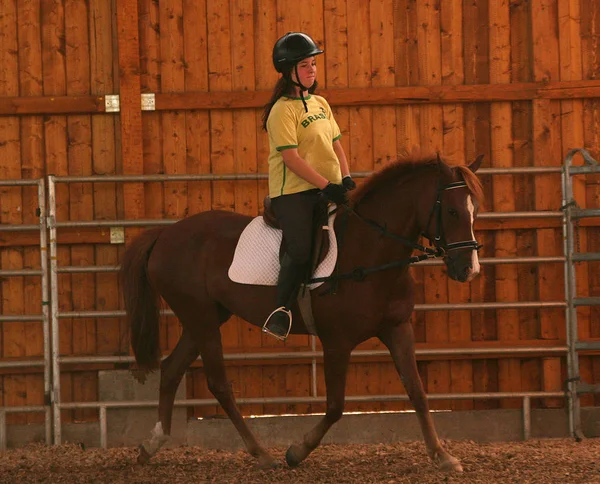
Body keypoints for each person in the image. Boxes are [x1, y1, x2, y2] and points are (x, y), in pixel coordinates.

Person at [261, 32, 356, 340]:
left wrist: (346, 179)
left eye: (313, 64)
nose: (312, 70)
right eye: (305, 65)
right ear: (289, 70)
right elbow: (291, 159)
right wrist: (326, 186)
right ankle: (282, 308)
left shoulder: (321, 103)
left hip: (329, 185)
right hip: (293, 193)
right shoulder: (281, 111)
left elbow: (337, 146)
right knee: (301, 250)